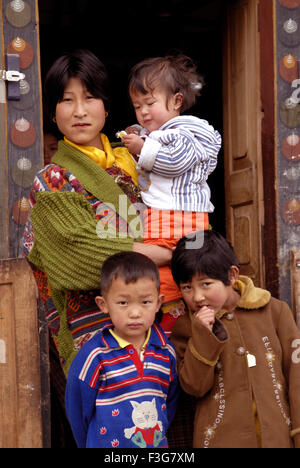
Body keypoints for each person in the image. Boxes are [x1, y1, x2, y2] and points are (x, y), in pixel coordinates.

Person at [22, 49, 172, 377]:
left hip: (160, 327)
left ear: (105, 106)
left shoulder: (137, 163)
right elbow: (78, 257)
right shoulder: (53, 180)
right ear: (52, 112)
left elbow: (184, 216)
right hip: (98, 341)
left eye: (89, 98)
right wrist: (158, 252)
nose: (79, 111)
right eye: (66, 100)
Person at [170, 229, 300, 448]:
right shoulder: (185, 328)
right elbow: (194, 387)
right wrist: (203, 334)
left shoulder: (274, 311)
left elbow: (297, 376)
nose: (197, 296)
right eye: (187, 287)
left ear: (231, 275)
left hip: (278, 438)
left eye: (206, 284)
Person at [120, 54, 222, 334]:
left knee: (185, 273)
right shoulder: (162, 131)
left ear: (176, 101)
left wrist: (142, 148)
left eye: (150, 103)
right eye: (137, 106)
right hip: (162, 218)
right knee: (161, 275)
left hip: (181, 219)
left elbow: (174, 160)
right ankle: (171, 327)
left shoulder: (187, 131)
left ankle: (186, 325)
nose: (143, 111)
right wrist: (141, 135)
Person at [65, 251, 179, 448]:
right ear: (104, 304)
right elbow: (77, 410)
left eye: (145, 302)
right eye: (123, 303)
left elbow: (169, 404)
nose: (135, 313)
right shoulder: (95, 356)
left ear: (159, 303)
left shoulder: (165, 352)